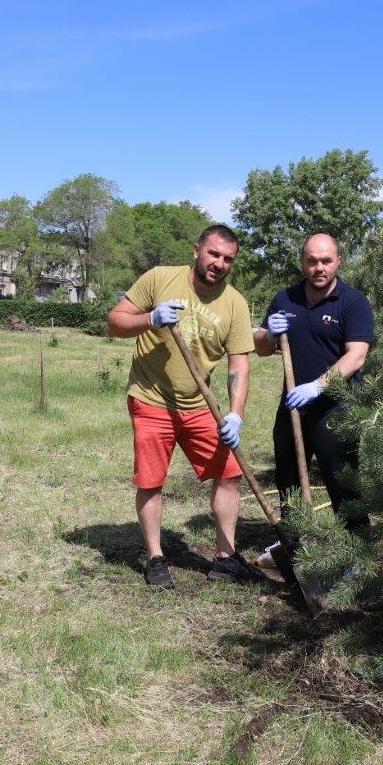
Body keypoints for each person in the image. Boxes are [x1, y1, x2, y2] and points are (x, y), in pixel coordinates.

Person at [106, 224, 257, 589]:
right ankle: (157, 558)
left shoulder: (234, 302)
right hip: (151, 399)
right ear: (196, 250)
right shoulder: (160, 279)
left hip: (199, 404)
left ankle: (225, 558)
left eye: (227, 259)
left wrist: (235, 413)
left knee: (229, 473)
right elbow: (114, 323)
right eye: (213, 254)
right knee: (151, 480)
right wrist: (149, 319)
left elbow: (239, 363)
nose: (219, 263)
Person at [253, 233, 374, 565]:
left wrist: (318, 386)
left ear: (338, 261)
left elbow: (357, 356)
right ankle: (296, 551)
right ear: (302, 262)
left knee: (343, 483)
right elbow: (262, 349)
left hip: (336, 407)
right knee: (289, 481)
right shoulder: (285, 299)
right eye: (312, 261)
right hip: (293, 406)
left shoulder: (352, 302)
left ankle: (359, 556)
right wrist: (270, 334)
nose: (319, 268)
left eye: (326, 261)